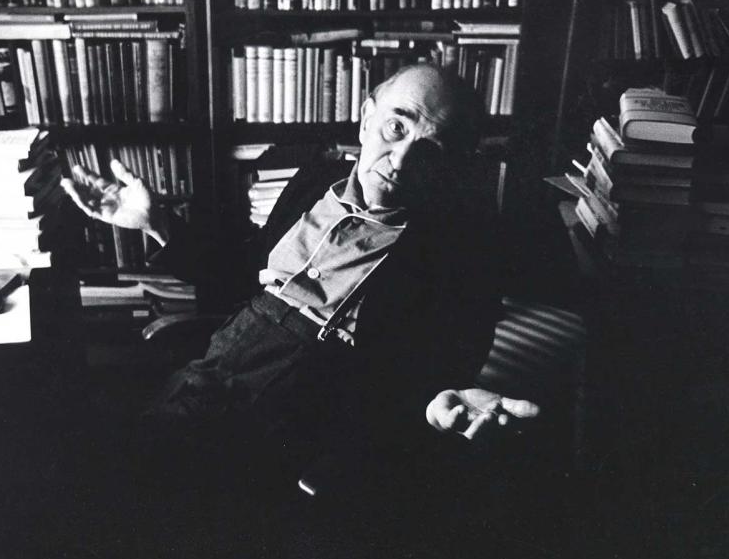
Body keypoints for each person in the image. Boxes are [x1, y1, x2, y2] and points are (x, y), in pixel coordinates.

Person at [62, 63, 540, 478]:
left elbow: (439, 369)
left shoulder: (462, 248)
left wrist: (437, 405)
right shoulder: (313, 181)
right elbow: (247, 272)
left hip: (310, 398)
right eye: (396, 127)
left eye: (430, 150)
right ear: (367, 116)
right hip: (221, 359)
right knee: (94, 454)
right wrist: (155, 221)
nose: (400, 160)